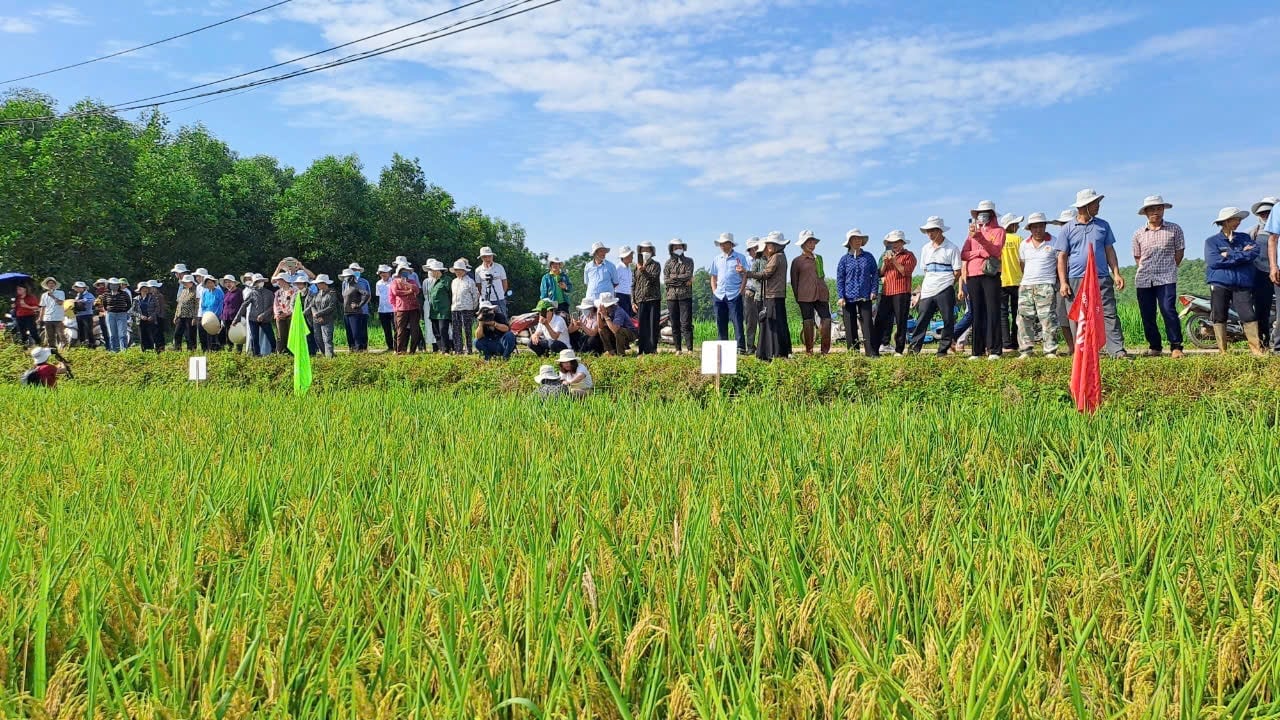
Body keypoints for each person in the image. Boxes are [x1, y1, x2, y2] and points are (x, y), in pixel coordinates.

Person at [1056, 188, 1128, 359]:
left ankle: (1116, 350)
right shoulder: (1067, 228)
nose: (1098, 207)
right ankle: (1082, 350)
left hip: (1101, 277)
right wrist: (1063, 282)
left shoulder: (1103, 225)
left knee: (1108, 312)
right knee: (1077, 315)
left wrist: (1116, 273)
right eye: (1095, 204)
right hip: (1076, 278)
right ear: (1084, 206)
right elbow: (1062, 257)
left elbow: (1109, 250)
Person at [1206, 207, 1266, 356]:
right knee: (1219, 315)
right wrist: (1241, 254)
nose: (1239, 222)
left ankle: (1256, 349)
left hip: (1242, 283)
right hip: (1220, 282)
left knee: (1248, 315)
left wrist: (1229, 254)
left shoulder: (1245, 238)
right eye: (1236, 219)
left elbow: (1253, 253)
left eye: (1239, 219)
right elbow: (1214, 261)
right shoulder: (1212, 241)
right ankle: (1223, 352)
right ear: (1226, 221)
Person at [1131, 195, 1186, 358]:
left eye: (1159, 208)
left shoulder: (1174, 229)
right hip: (1143, 279)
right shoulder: (1138, 234)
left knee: (1168, 309)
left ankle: (1176, 346)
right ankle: (1155, 346)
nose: (1156, 212)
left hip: (1167, 277)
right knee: (1147, 313)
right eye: (1152, 209)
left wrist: (1168, 268)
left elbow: (1179, 253)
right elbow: (1137, 257)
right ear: (1146, 212)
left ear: (1163, 210)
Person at [909, 217, 962, 356]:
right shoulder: (925, 249)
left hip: (945, 287)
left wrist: (949, 284)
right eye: (927, 231)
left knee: (948, 320)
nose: (930, 234)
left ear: (939, 231)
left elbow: (957, 271)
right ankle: (914, 349)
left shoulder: (952, 248)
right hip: (928, 289)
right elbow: (925, 271)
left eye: (932, 230)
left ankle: (942, 350)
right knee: (922, 320)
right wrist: (920, 293)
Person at [961, 201, 1006, 360]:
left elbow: (995, 251)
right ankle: (977, 351)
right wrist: (980, 253)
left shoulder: (999, 231)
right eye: (980, 212)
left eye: (986, 212)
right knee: (977, 312)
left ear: (992, 214)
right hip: (973, 275)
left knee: (993, 310)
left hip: (990, 274)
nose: (982, 215)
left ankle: (994, 350)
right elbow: (964, 254)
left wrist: (979, 239)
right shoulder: (971, 233)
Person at [741, 231, 792, 361]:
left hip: (772, 295)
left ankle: (772, 352)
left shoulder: (776, 257)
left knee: (771, 324)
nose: (768, 246)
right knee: (774, 324)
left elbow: (765, 274)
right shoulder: (781, 256)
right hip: (775, 294)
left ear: (777, 245)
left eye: (770, 244)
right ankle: (775, 352)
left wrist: (747, 273)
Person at [1015, 213, 1061, 358]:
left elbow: (1059, 263)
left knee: (1047, 318)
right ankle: (1026, 350)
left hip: (1046, 284)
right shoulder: (1024, 244)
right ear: (1030, 229)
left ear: (1045, 226)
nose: (1038, 230)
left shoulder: (1054, 242)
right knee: (1023, 319)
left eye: (1041, 226)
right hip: (1026, 284)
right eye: (1035, 227)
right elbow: (1022, 264)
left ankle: (1050, 350)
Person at [872, 230, 917, 356]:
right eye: (892, 242)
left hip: (902, 291)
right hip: (887, 291)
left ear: (903, 242)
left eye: (897, 241)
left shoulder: (909, 255)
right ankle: (875, 348)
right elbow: (880, 273)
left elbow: (905, 271)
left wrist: (894, 261)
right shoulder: (886, 255)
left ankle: (899, 349)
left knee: (901, 321)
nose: (894, 244)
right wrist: (886, 264)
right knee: (880, 319)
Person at [836, 229, 878, 356]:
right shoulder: (844, 260)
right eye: (854, 239)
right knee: (850, 326)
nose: (857, 241)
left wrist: (874, 290)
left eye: (859, 239)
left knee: (867, 325)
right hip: (848, 297)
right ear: (849, 242)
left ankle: (871, 352)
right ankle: (853, 353)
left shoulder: (868, 257)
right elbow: (840, 278)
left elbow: (875, 274)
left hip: (865, 295)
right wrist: (841, 296)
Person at [791, 230, 832, 354]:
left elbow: (821, 276)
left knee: (827, 319)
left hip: (821, 294)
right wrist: (798, 297)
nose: (811, 244)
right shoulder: (797, 261)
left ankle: (825, 350)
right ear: (802, 244)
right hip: (804, 295)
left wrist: (825, 290)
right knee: (808, 321)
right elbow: (794, 281)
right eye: (808, 242)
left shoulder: (819, 258)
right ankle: (809, 351)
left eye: (813, 242)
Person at [709, 233, 749, 353]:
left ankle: (740, 347)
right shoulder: (717, 259)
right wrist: (714, 290)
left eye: (724, 243)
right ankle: (723, 346)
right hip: (719, 294)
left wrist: (741, 290)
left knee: (737, 320)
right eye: (721, 244)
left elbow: (745, 275)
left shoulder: (740, 257)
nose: (722, 246)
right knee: (721, 321)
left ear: (731, 244)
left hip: (734, 293)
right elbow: (713, 276)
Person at [1248, 197, 1278, 350]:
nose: (1265, 215)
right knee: (1261, 310)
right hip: (1260, 275)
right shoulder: (1254, 231)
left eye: (1269, 212)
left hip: (1278, 272)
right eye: (1262, 213)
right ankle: (1263, 343)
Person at [998, 213, 1024, 353]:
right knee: (1017, 313)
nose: (1018, 226)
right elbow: (1022, 261)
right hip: (1017, 280)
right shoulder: (1019, 239)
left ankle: (1006, 343)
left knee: (1002, 313)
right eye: (1017, 224)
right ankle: (1015, 342)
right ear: (1012, 225)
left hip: (1002, 280)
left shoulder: (999, 239)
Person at [664, 238, 694, 354]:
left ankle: (690, 349)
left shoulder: (689, 261)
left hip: (685, 296)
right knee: (674, 323)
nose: (678, 249)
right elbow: (666, 280)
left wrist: (674, 277)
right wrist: (681, 279)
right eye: (675, 247)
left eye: (680, 247)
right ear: (671, 249)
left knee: (686, 323)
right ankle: (678, 349)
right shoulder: (668, 263)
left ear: (683, 248)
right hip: (671, 296)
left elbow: (688, 275)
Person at [631, 241, 662, 355]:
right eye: (643, 250)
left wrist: (643, 271)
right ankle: (641, 350)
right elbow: (633, 284)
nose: (645, 252)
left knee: (653, 325)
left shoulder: (655, 265)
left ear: (651, 251)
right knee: (642, 326)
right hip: (640, 300)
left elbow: (653, 278)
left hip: (653, 299)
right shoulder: (636, 268)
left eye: (647, 250)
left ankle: (652, 349)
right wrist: (633, 301)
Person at [234, 274, 276, 356]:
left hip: (265, 319)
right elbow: (244, 305)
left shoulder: (269, 293)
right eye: (257, 281)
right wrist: (236, 319)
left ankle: (275, 353)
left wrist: (264, 315)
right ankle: (256, 355)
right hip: (253, 319)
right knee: (254, 338)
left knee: (271, 337)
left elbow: (272, 306)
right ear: (254, 283)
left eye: (261, 281)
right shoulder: (252, 293)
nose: (259, 283)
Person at [390, 264, 424, 355]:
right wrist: (408, 292)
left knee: (415, 329)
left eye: (406, 272)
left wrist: (407, 284)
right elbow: (395, 292)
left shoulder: (412, 281)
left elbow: (416, 290)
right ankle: (399, 350)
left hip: (413, 308)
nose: (405, 273)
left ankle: (412, 350)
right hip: (401, 308)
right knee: (400, 329)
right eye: (403, 272)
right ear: (399, 273)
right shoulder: (395, 282)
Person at [449, 259, 479, 355]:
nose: (458, 272)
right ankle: (458, 349)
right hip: (455, 308)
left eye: (460, 270)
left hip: (467, 308)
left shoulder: (470, 281)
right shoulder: (453, 282)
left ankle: (469, 349)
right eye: (456, 270)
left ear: (464, 271)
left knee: (467, 329)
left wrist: (473, 307)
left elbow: (475, 295)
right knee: (456, 330)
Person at [421, 259, 450, 353]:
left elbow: (451, 294)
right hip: (434, 311)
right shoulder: (432, 281)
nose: (430, 272)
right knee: (436, 331)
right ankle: (440, 349)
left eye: (432, 270)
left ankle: (446, 350)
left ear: (437, 271)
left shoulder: (447, 280)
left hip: (444, 311)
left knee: (443, 330)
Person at [307, 274, 338, 357]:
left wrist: (319, 314)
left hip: (327, 319)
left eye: (319, 283)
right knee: (318, 339)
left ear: (325, 283)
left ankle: (329, 357)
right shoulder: (316, 294)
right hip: (316, 320)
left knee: (327, 338)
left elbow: (331, 307)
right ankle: (325, 354)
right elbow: (312, 305)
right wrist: (315, 314)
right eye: (317, 283)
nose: (317, 285)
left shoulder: (332, 293)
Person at [343, 264, 372, 352]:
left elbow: (368, 295)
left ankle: (362, 348)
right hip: (348, 311)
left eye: (356, 269)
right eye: (353, 269)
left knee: (361, 331)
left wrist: (360, 305)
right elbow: (344, 296)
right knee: (351, 331)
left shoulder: (363, 282)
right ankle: (352, 348)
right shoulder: (345, 283)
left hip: (361, 310)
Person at [596, 291, 635, 356]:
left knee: (619, 331)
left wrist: (605, 316)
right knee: (601, 330)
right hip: (616, 334)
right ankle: (611, 352)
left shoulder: (618, 311)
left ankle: (621, 354)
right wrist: (598, 314)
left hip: (630, 333)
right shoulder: (604, 311)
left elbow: (615, 329)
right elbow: (600, 326)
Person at [475, 247, 510, 317]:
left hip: (499, 299)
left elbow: (505, 283)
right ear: (481, 258)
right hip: (485, 300)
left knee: (502, 319)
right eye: (485, 257)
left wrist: (501, 294)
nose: (488, 259)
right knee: (485, 320)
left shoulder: (499, 267)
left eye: (489, 256)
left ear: (492, 256)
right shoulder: (478, 270)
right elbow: (478, 286)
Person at [743, 238, 764, 354]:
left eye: (757, 247)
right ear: (749, 250)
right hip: (749, 292)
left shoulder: (763, 260)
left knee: (763, 320)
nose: (755, 250)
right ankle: (750, 346)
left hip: (762, 293)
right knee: (750, 321)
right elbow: (743, 277)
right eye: (753, 248)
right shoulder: (745, 261)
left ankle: (763, 346)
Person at [98, 278, 131, 352]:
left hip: (122, 314)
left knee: (122, 333)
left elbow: (129, 304)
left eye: (116, 285)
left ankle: (124, 350)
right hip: (110, 314)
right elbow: (104, 304)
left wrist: (124, 310)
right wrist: (109, 310)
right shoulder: (106, 294)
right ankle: (114, 350)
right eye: (112, 285)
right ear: (109, 285)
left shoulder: (124, 293)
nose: (114, 286)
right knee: (112, 334)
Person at [198, 275, 225, 352]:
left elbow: (221, 304)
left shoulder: (219, 292)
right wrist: (205, 315)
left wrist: (214, 315)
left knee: (216, 335)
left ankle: (217, 350)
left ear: (214, 283)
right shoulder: (205, 292)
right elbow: (203, 305)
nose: (209, 284)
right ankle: (209, 350)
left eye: (211, 282)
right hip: (207, 318)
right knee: (208, 335)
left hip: (217, 317)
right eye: (207, 283)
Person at [38, 277, 66, 349]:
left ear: (55, 285)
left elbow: (60, 302)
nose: (51, 285)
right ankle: (52, 350)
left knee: (61, 334)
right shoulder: (44, 295)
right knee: (49, 336)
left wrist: (52, 296)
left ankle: (65, 349)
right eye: (49, 283)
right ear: (47, 285)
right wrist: (40, 318)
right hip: (47, 317)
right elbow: (43, 307)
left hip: (58, 317)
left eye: (53, 283)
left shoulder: (60, 292)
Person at [173, 275, 199, 351]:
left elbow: (197, 305)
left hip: (190, 316)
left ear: (191, 282)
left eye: (186, 282)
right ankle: (177, 349)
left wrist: (195, 317)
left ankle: (191, 350)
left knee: (190, 335)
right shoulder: (184, 291)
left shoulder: (196, 291)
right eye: (183, 282)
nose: (184, 284)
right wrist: (176, 316)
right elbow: (179, 304)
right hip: (181, 316)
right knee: (177, 334)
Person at [271, 273, 295, 355]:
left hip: (291, 316)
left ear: (284, 280)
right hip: (280, 316)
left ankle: (291, 352)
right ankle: (280, 352)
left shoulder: (295, 291)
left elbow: (295, 305)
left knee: (291, 334)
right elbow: (275, 304)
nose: (277, 282)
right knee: (280, 335)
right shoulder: (278, 292)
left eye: (279, 280)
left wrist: (288, 313)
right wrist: (277, 314)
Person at [12, 281, 41, 346]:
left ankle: (39, 344)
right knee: (22, 333)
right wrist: (14, 306)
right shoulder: (17, 298)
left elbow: (36, 307)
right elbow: (16, 307)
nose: (18, 290)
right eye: (17, 289)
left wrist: (26, 306)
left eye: (20, 289)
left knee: (33, 332)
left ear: (25, 289)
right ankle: (24, 347)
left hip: (29, 316)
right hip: (19, 317)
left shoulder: (31, 297)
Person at [134, 281, 160, 352]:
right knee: (142, 336)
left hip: (151, 320)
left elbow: (157, 308)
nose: (145, 290)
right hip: (141, 320)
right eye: (143, 288)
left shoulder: (153, 298)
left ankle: (154, 349)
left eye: (146, 288)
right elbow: (132, 311)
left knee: (152, 335)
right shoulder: (136, 299)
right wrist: (140, 316)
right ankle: (143, 350)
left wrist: (152, 316)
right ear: (140, 290)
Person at [374, 264, 396, 351]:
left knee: (396, 329)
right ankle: (390, 347)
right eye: (381, 273)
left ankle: (397, 346)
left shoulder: (393, 282)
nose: (383, 274)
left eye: (385, 272)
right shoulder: (378, 283)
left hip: (393, 309)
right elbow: (378, 296)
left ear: (389, 273)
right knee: (386, 330)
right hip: (382, 310)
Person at [219, 275, 243, 351]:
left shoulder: (240, 292)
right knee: (228, 335)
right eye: (226, 282)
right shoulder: (226, 293)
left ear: (234, 283)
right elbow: (224, 305)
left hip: (236, 317)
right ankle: (230, 350)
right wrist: (222, 318)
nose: (227, 284)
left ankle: (239, 352)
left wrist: (241, 316)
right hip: (226, 317)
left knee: (238, 335)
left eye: (229, 282)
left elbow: (243, 305)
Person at [69, 281, 96, 349]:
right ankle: (82, 343)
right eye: (76, 287)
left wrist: (82, 300)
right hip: (79, 315)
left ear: (83, 288)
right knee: (81, 330)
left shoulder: (89, 295)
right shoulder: (77, 295)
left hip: (87, 315)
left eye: (78, 287)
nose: (77, 289)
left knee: (88, 330)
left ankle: (92, 344)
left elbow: (92, 300)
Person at [614, 245, 635, 314]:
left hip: (628, 295)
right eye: (630, 255)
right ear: (625, 257)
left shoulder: (629, 268)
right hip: (620, 296)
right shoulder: (618, 268)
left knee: (630, 317)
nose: (632, 257)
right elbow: (613, 283)